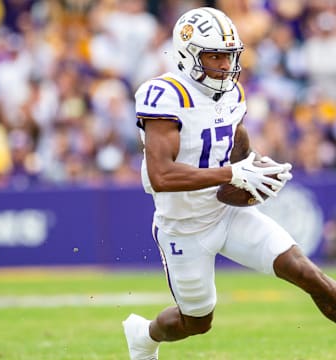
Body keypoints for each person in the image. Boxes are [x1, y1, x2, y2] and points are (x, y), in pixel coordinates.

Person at [123, 7, 336, 360]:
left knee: (308, 273)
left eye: (229, 56)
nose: (225, 65)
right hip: (183, 228)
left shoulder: (232, 93)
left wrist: (254, 166)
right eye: (215, 56)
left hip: (226, 214)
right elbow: (161, 176)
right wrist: (233, 174)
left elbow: (234, 136)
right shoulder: (164, 95)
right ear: (188, 54)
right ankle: (144, 337)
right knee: (196, 321)